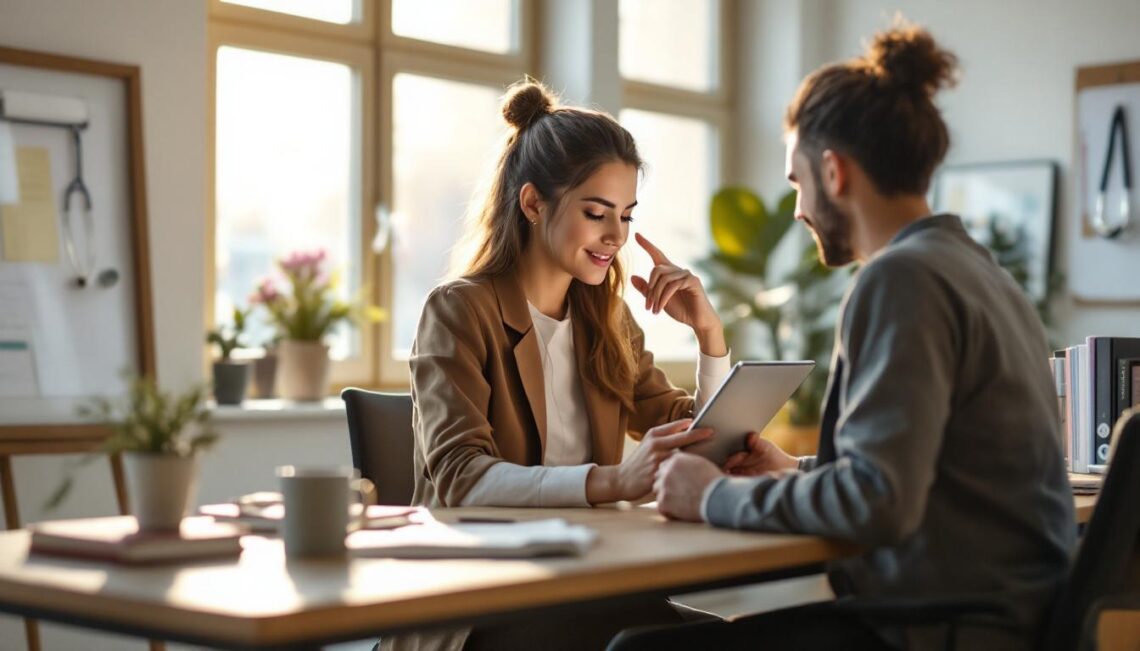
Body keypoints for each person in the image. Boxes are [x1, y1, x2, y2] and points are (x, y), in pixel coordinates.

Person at [644, 20, 1076, 651]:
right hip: (1008, 619)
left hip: (937, 627)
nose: (796, 209)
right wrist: (794, 471)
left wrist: (713, 497)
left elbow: (881, 503)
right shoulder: (982, 273)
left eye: (796, 182)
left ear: (833, 171)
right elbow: (924, 472)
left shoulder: (902, 278)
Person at [391, 80, 731, 651]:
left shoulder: (606, 317)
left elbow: (694, 434)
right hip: (484, 600)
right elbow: (460, 475)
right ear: (532, 203)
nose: (615, 236)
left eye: (625, 216)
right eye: (597, 213)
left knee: (721, 639)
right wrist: (612, 481)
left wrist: (710, 337)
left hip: (588, 578)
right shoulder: (459, 310)